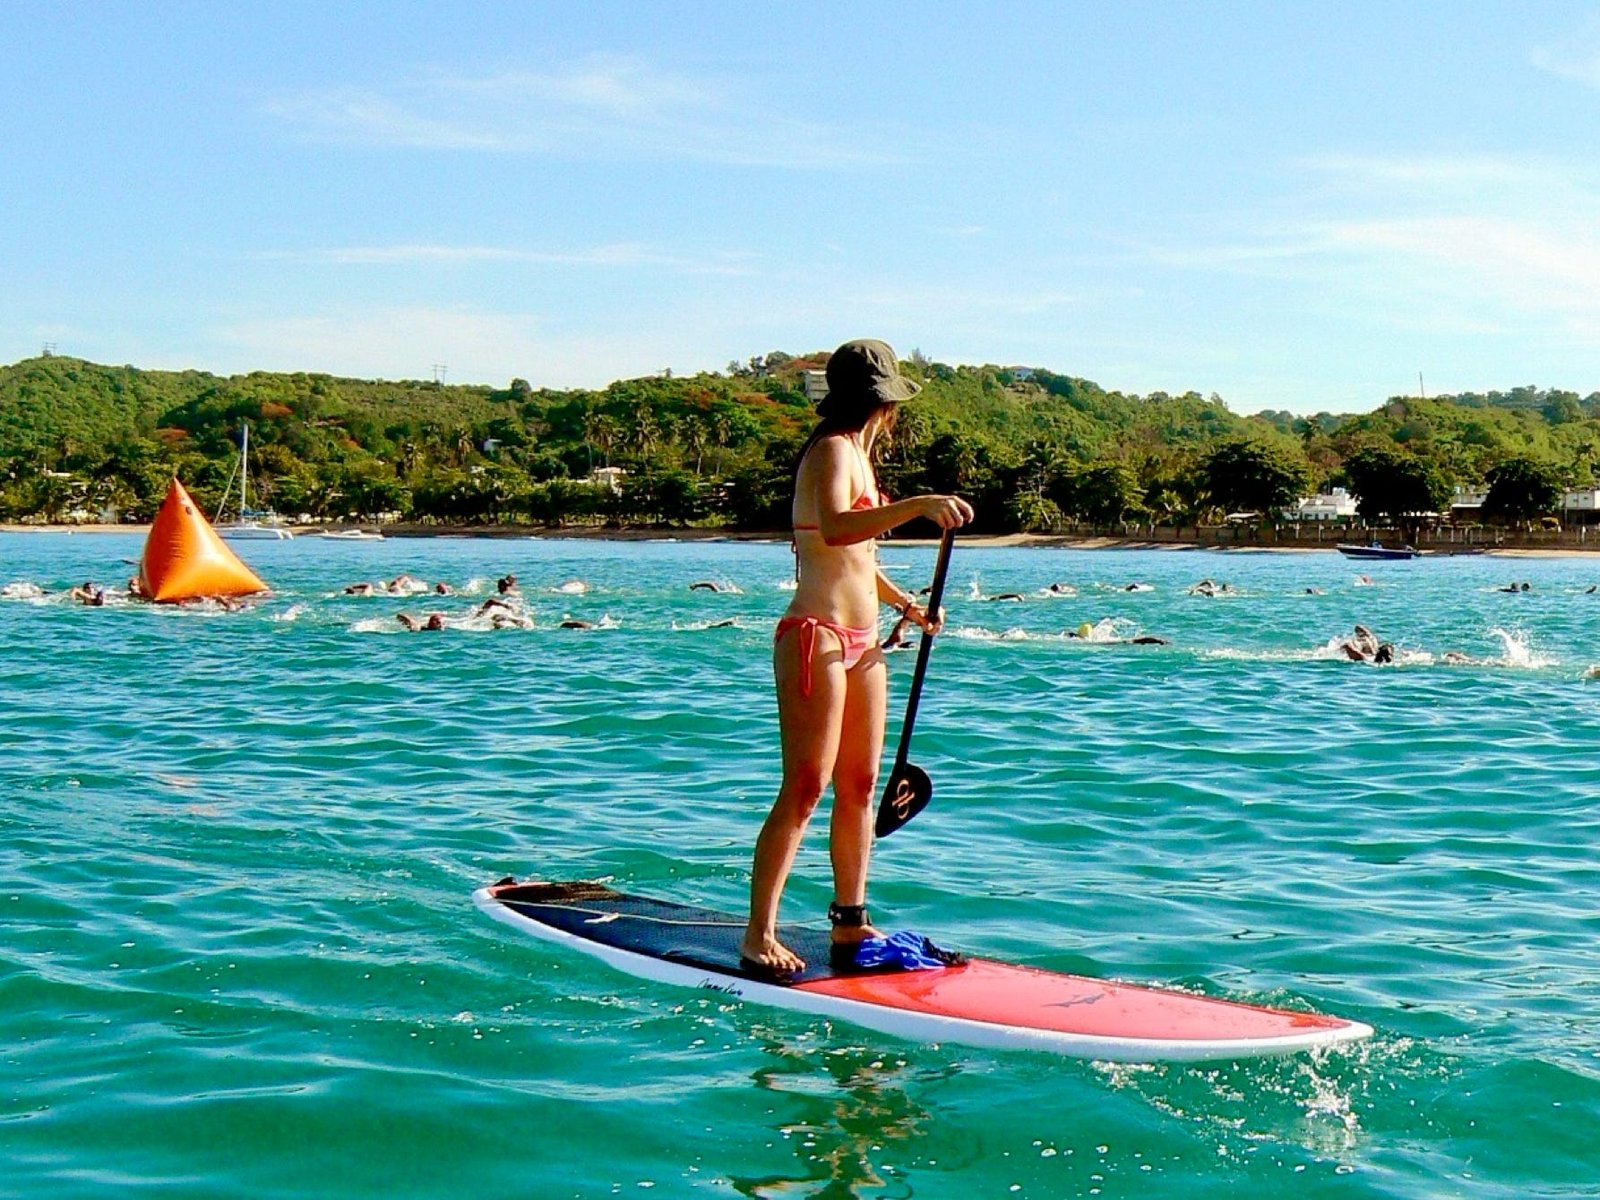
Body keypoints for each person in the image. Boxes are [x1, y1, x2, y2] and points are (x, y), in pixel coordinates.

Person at [740, 339, 973, 977]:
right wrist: (922, 506)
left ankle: (850, 922)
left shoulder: (862, 458)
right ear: (881, 403)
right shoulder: (833, 451)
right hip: (815, 635)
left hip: (865, 644)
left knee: (862, 786)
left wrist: (910, 606)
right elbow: (839, 526)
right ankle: (758, 933)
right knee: (807, 788)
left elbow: (859, 559)